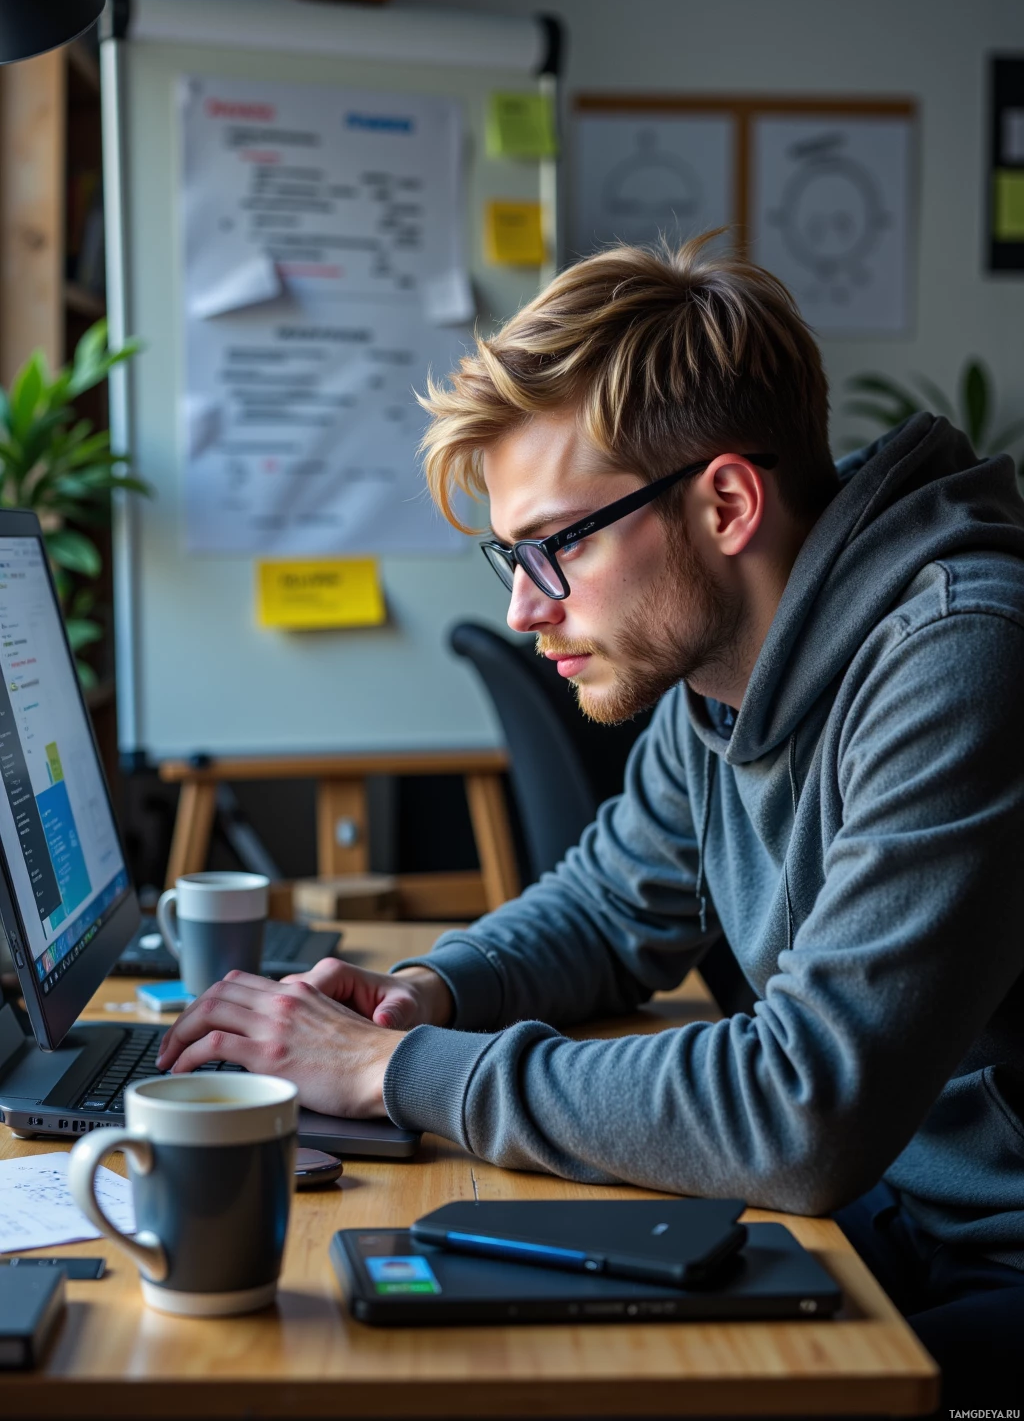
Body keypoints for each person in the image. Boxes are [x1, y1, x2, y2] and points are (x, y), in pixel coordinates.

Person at [158, 234, 1024, 1402]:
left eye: (558, 546)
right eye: (509, 556)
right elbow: (610, 909)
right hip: (903, 1215)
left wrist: (390, 1070)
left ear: (724, 501)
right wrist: (428, 992)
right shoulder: (729, 667)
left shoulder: (959, 656)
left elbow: (801, 1104)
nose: (524, 607)